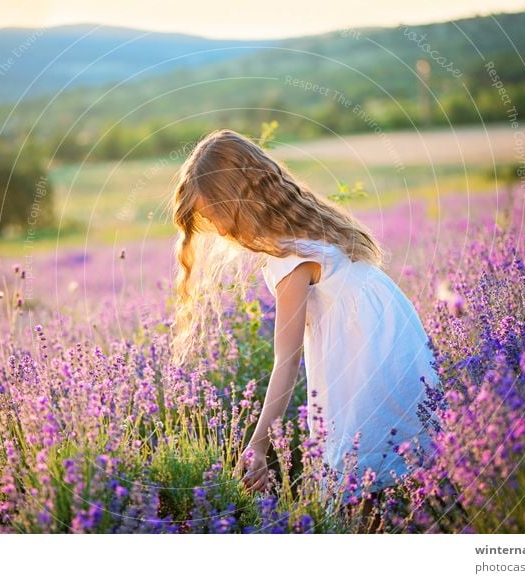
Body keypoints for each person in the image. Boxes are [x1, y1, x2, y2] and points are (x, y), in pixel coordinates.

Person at [168, 129, 440, 528]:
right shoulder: (311, 224)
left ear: (238, 199)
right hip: (392, 343)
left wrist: (258, 445)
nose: (214, 226)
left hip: (362, 366)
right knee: (412, 473)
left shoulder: (288, 257)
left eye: (213, 214)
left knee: (360, 484)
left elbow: (286, 361)